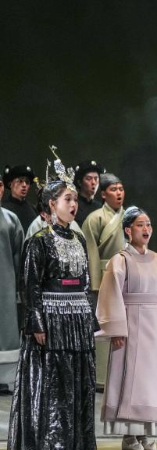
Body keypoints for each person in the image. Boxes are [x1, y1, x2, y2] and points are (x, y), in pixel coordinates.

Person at [7, 154, 98, 449]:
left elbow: (85, 281)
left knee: (78, 383)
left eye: (75, 199)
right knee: (53, 385)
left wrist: (90, 318)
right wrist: (36, 322)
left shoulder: (79, 239)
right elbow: (31, 284)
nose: (73, 204)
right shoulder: (39, 242)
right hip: (51, 322)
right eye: (67, 199)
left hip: (77, 322)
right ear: (51, 204)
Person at [96, 207, 157, 450]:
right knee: (130, 381)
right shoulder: (120, 260)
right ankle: (129, 436)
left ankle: (146, 433)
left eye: (149, 224)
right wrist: (117, 329)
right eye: (140, 225)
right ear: (128, 230)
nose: (146, 229)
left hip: (153, 327)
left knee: (150, 383)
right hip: (130, 326)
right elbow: (111, 295)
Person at [82, 172, 126, 390]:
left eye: (121, 189)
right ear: (103, 194)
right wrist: (95, 283)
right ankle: (100, 376)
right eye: (113, 189)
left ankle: (124, 374)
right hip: (104, 276)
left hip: (126, 277)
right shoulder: (95, 218)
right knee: (103, 326)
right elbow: (90, 252)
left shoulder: (130, 217)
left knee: (125, 325)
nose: (118, 193)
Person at [0, 186, 23, 394]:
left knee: (5, 330)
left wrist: (17, 286)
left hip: (5, 283)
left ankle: (3, 379)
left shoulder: (11, 219)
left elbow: (18, 254)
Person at [2, 165, 37, 231]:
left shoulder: (33, 209)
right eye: (20, 181)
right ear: (10, 184)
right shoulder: (3, 209)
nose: (24, 185)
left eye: (27, 182)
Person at [73, 160, 105, 226]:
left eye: (96, 178)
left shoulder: (101, 207)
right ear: (79, 182)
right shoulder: (72, 205)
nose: (93, 182)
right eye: (88, 178)